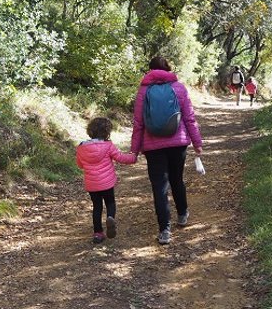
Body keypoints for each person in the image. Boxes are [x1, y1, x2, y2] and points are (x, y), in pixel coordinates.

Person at [130, 56, 203, 245]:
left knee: (159, 187)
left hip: (152, 146)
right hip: (178, 143)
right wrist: (197, 142)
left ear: (150, 70)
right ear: (168, 68)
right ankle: (182, 214)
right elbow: (189, 118)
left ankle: (164, 231)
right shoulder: (178, 87)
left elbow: (138, 122)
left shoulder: (143, 90)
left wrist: (134, 149)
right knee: (176, 179)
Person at [76, 117, 137, 244]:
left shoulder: (81, 147)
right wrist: (133, 157)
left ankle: (98, 233)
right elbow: (120, 157)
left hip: (92, 184)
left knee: (97, 206)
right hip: (107, 183)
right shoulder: (108, 145)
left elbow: (80, 165)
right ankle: (110, 217)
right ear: (106, 132)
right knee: (110, 202)